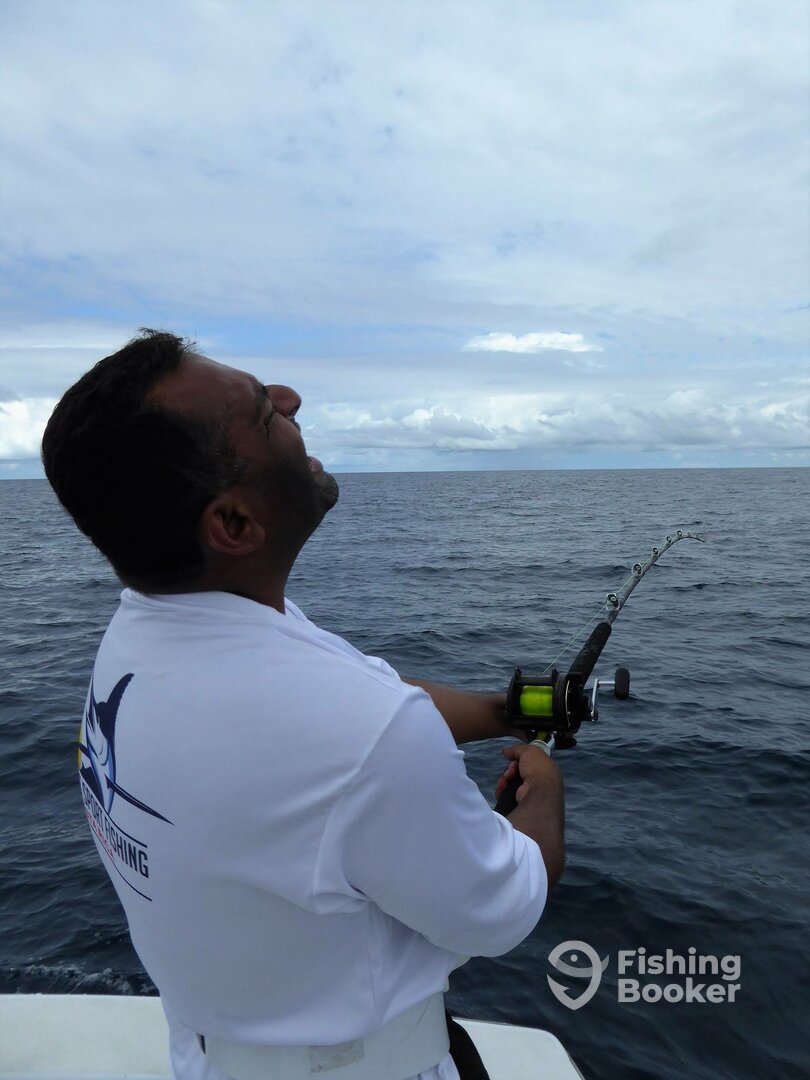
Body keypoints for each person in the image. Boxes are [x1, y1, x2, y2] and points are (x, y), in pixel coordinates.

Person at [42, 329, 565, 1080]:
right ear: (233, 524)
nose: (291, 400)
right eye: (263, 414)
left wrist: (499, 716)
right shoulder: (361, 731)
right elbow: (501, 910)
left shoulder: (146, 633)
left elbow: (364, 699)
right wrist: (543, 788)